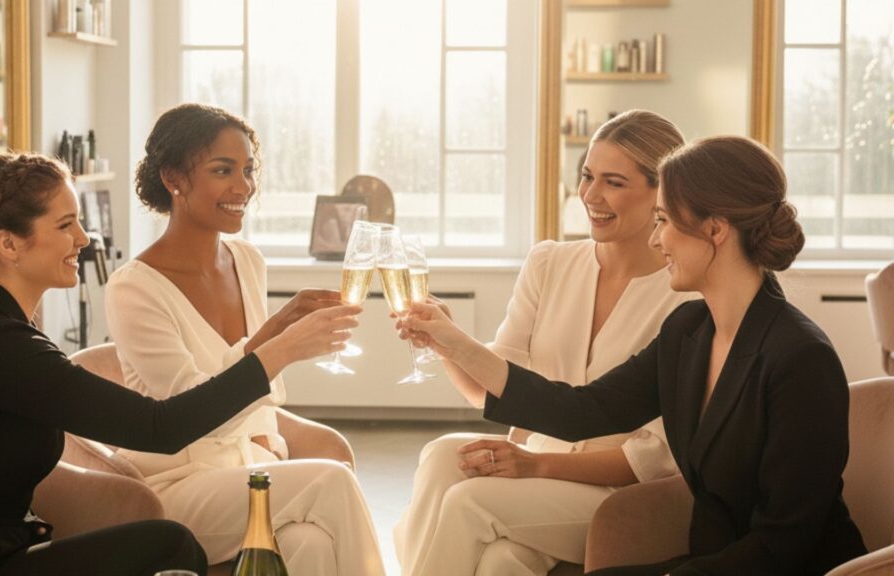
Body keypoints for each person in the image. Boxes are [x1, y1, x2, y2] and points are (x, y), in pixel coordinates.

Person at [400, 136, 868, 575]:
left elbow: (785, 542)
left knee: (474, 510)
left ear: (715, 229)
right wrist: (455, 342)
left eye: (663, 220)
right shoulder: (688, 332)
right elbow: (580, 410)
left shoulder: (801, 358)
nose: (654, 238)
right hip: (712, 560)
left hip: (779, 569)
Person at [0, 152, 360, 576]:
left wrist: (272, 340)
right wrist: (280, 351)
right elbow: (160, 427)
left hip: (3, 547)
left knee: (256, 541)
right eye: (65, 225)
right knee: (170, 545)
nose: (83, 237)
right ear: (9, 245)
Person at [394, 110, 696, 576]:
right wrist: (446, 343)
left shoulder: (685, 295)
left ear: (663, 192)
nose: (591, 195)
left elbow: (651, 461)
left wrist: (534, 465)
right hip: (533, 464)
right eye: (587, 176)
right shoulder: (550, 263)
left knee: (472, 501)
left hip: (618, 493)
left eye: (613, 182)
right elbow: (497, 395)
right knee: (444, 464)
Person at [104, 103, 386, 576]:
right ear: (174, 179)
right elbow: (189, 416)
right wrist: (283, 345)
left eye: (248, 170)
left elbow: (262, 393)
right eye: (223, 170)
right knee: (330, 482)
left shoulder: (246, 260)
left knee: (310, 543)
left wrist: (278, 328)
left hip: (252, 464)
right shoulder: (134, 288)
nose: (243, 187)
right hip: (180, 481)